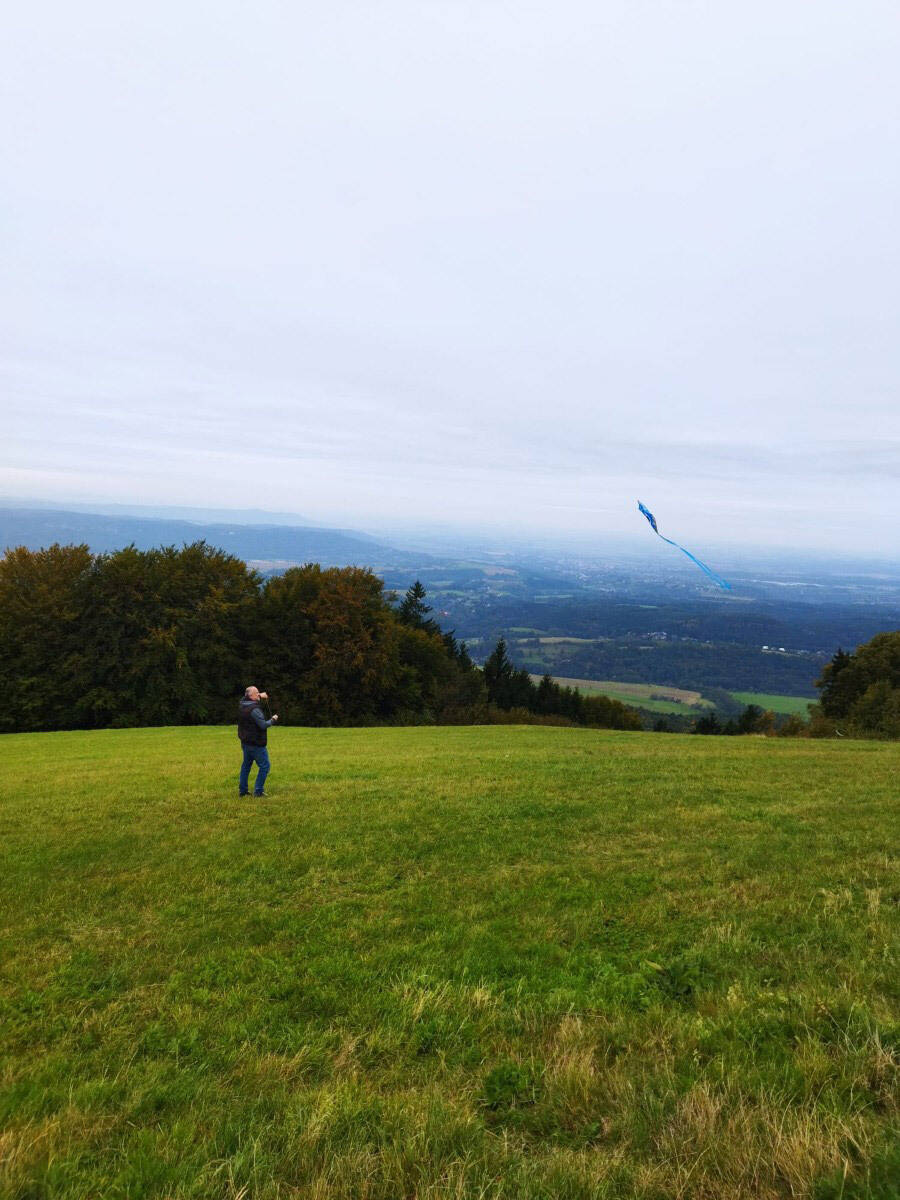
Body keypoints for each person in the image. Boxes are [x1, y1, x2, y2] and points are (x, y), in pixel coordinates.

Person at [238, 686, 278, 797]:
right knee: (265, 766)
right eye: (257, 692)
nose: (259, 694)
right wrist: (273, 719)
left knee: (246, 766)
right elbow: (263, 725)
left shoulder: (242, 704)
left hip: (245, 742)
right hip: (256, 743)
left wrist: (259, 695)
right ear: (251, 696)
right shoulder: (254, 710)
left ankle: (243, 791)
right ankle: (258, 791)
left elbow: (245, 697)